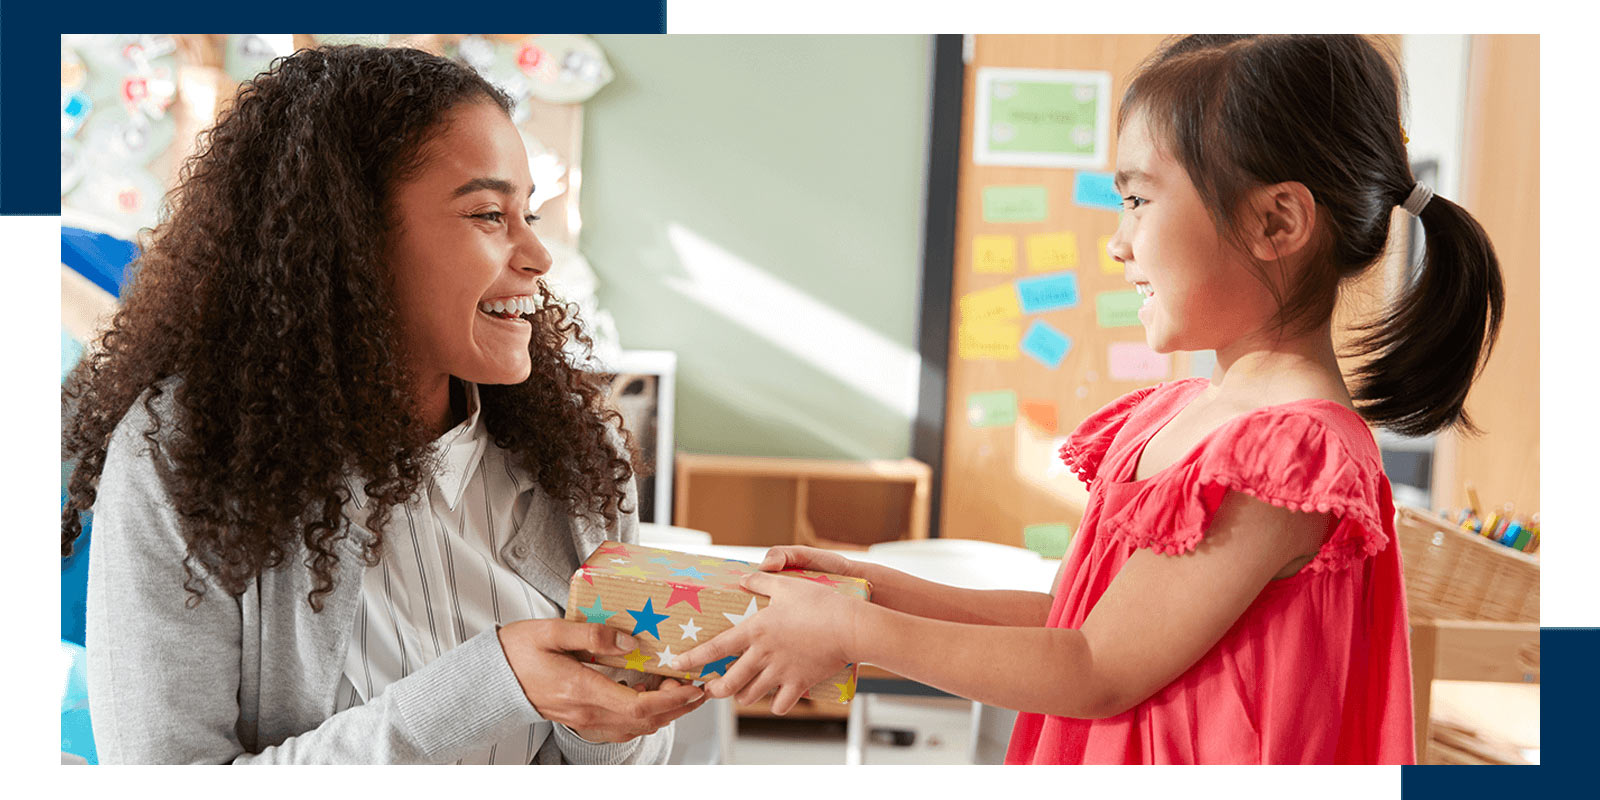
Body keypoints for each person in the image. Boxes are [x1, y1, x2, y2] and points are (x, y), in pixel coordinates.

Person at [672, 34, 1503, 765]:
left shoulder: (1287, 460)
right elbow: (1072, 620)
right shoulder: (1185, 414)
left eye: (1138, 199)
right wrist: (870, 590)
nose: (1116, 241)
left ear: (1276, 223)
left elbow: (1097, 669)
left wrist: (852, 635)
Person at [60, 44, 705, 764]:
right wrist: (494, 681)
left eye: (530, 212)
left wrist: (601, 719)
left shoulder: (578, 454)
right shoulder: (182, 455)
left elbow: (626, 763)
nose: (536, 253)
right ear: (352, 240)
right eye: (490, 213)